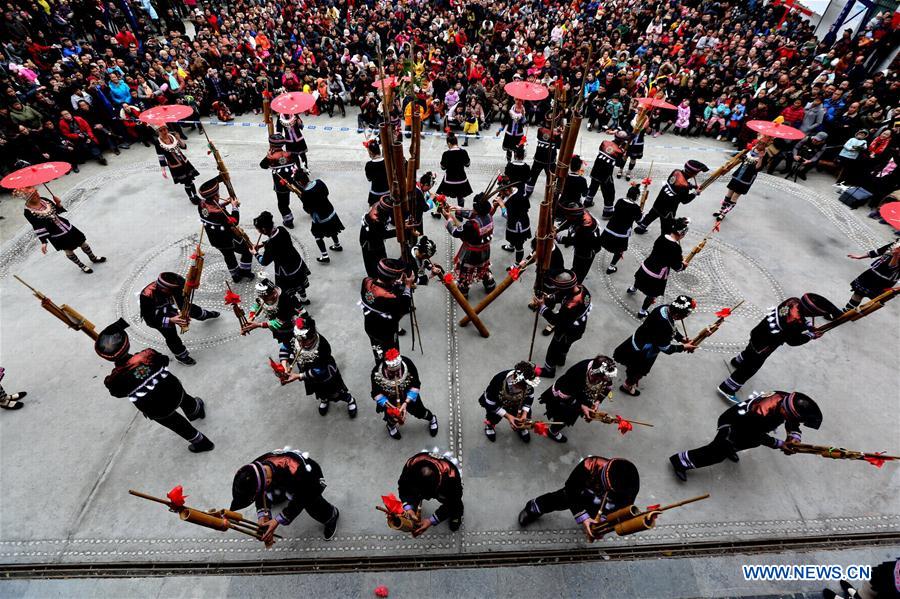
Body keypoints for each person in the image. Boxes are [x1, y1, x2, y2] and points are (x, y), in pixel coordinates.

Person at [95, 319, 213, 452]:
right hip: (172, 389)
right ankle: (195, 411)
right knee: (184, 398)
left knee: (176, 423)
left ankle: (201, 442)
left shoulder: (115, 379)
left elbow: (117, 392)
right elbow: (165, 360)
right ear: (127, 344)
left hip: (155, 408)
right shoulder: (148, 354)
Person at [669, 391, 822, 481]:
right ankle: (680, 461)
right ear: (787, 411)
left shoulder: (786, 398)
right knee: (715, 453)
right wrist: (780, 444)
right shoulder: (760, 413)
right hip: (734, 425)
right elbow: (756, 435)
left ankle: (731, 449)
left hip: (749, 429)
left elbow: (792, 422)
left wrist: (794, 437)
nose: (795, 422)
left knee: (746, 443)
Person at [718, 293, 841, 403]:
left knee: (750, 349)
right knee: (751, 367)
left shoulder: (793, 301)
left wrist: (807, 325)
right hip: (766, 345)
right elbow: (793, 341)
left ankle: (737, 361)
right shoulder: (796, 323)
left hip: (758, 332)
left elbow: (794, 318)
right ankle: (727, 388)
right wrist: (810, 335)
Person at [230, 448, 340, 544]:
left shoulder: (299, 471)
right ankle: (281, 494)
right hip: (281, 479)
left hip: (309, 481)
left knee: (311, 502)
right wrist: (263, 515)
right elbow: (260, 493)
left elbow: (300, 500)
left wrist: (277, 520)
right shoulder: (254, 470)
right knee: (272, 495)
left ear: (267, 482)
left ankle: (331, 515)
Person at [518, 456, 640, 542]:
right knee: (560, 498)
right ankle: (534, 507)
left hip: (603, 504)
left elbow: (622, 507)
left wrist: (603, 523)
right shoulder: (590, 464)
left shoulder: (630, 485)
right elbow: (570, 489)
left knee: (599, 517)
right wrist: (584, 517)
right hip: (581, 492)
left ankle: (592, 523)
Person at [613, 294, 698, 396]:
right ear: (677, 315)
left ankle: (630, 365)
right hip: (645, 351)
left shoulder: (664, 308)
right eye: (684, 316)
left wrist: (681, 338)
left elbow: (672, 327)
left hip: (639, 338)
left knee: (630, 359)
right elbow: (666, 348)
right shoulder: (665, 325)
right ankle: (627, 386)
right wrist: (683, 347)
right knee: (638, 371)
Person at [281, 317, 357, 418]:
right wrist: (284, 365)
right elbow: (285, 347)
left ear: (313, 336)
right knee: (318, 390)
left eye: (305, 341)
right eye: (299, 341)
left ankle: (349, 399)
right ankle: (324, 399)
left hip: (326, 375)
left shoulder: (323, 346)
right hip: (308, 375)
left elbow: (320, 370)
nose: (301, 344)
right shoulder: (296, 338)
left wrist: (298, 376)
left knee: (335, 392)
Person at [139, 272, 221, 365]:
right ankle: (181, 356)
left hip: (171, 306)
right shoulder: (147, 296)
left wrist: (184, 312)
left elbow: (182, 302)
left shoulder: (175, 285)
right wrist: (170, 320)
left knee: (190, 308)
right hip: (160, 316)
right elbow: (150, 320)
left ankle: (205, 315)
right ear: (165, 289)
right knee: (171, 336)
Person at [19, 186, 105, 274]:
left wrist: (58, 203)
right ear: (27, 198)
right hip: (55, 233)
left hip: (66, 226)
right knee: (68, 250)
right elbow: (37, 226)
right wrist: (44, 242)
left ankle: (93, 258)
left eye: (36, 192)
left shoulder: (44, 200)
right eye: (33, 195)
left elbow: (58, 211)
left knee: (83, 243)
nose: (37, 195)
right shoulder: (28, 212)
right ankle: (82, 266)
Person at [538, 355, 617, 443]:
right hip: (567, 395)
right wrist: (581, 406)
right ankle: (552, 431)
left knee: (573, 413)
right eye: (603, 379)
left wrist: (598, 401)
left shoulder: (606, 372)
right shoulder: (578, 371)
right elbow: (566, 394)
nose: (607, 380)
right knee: (564, 416)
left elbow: (608, 387)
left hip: (584, 395)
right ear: (595, 374)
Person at [627, 216, 690, 317]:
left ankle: (633, 288)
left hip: (647, 265)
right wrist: (683, 265)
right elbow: (677, 267)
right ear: (682, 233)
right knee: (652, 294)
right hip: (657, 274)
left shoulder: (662, 237)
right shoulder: (676, 248)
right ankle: (642, 311)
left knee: (639, 279)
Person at [535, 270, 593, 378]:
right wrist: (550, 297)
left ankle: (549, 370)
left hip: (565, 331)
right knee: (566, 345)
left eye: (558, 288)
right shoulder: (582, 289)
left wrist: (542, 307)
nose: (557, 290)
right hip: (578, 329)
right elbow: (563, 295)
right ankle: (561, 359)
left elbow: (555, 320)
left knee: (554, 349)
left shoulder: (570, 306)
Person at [371, 348, 439, 440]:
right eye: (392, 372)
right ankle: (391, 426)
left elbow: (416, 384)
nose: (395, 375)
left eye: (397, 371)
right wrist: (391, 407)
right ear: (386, 368)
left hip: (408, 396)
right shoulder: (376, 373)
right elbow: (375, 392)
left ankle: (432, 418)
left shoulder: (407, 363)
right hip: (389, 400)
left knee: (420, 412)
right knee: (391, 417)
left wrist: (406, 403)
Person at [196, 175, 253, 282]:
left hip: (215, 241)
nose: (219, 196)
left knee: (228, 256)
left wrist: (225, 203)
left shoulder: (202, 205)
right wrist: (234, 206)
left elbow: (213, 207)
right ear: (215, 197)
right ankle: (245, 271)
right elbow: (234, 221)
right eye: (217, 194)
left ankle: (235, 276)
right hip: (229, 240)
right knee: (247, 250)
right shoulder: (219, 214)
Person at [396, 450, 463, 535]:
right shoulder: (411, 464)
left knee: (455, 504)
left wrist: (431, 521)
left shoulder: (451, 479)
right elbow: (403, 488)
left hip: (444, 489)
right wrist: (408, 508)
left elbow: (453, 502)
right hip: (424, 487)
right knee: (412, 496)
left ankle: (456, 515)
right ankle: (412, 508)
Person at [442, 193, 496, 297]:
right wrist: (457, 209)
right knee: (484, 267)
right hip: (485, 250)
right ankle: (490, 284)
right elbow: (473, 214)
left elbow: (455, 232)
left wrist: (449, 219)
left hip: (471, 254)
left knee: (466, 272)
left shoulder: (472, 225)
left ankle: (463, 293)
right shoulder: (488, 216)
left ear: (476, 209)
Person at [252, 211, 312, 304]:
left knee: (287, 291)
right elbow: (277, 240)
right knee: (299, 283)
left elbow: (264, 261)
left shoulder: (271, 245)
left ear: (263, 229)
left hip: (286, 270)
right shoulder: (281, 229)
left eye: (258, 229)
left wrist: (255, 253)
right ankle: (304, 299)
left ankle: (296, 305)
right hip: (296, 261)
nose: (258, 231)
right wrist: (263, 244)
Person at [634, 160, 707, 235]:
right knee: (666, 228)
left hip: (659, 201)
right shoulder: (684, 187)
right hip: (668, 210)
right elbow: (685, 200)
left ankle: (640, 228)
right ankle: (663, 239)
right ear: (692, 174)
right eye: (696, 173)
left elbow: (676, 183)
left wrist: (692, 186)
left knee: (651, 215)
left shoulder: (676, 172)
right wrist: (695, 193)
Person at [360, 258, 413, 360]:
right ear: (392, 279)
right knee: (391, 352)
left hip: (369, 325)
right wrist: (407, 286)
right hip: (386, 331)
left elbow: (384, 290)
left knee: (376, 347)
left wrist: (396, 283)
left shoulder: (366, 282)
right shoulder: (389, 298)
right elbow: (404, 306)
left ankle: (378, 360)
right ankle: (391, 365)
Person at [241, 277, 307, 357]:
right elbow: (258, 304)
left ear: (273, 293)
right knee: (286, 342)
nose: (263, 300)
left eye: (265, 298)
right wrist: (251, 317)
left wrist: (257, 325)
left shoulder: (284, 300)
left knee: (295, 342)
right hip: (277, 327)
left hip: (290, 326)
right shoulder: (265, 297)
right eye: (262, 297)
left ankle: (296, 353)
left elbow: (279, 322)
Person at [478, 361, 539, 443]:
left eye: (525, 387)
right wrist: (508, 416)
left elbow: (530, 396)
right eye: (519, 386)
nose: (522, 389)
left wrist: (524, 414)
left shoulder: (528, 381)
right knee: (493, 416)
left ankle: (521, 427)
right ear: (514, 377)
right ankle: (490, 426)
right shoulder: (499, 379)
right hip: (499, 402)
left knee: (523, 417)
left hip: (518, 403)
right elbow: (490, 402)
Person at [293, 169, 344, 264]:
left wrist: (302, 198)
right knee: (333, 229)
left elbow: (308, 209)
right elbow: (327, 193)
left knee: (317, 235)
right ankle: (337, 245)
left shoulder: (305, 194)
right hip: (330, 210)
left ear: (299, 182)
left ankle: (325, 255)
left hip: (320, 217)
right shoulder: (319, 182)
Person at [713, 142, 766, 221]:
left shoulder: (763, 156)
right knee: (728, 194)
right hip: (737, 175)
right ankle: (721, 210)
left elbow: (757, 168)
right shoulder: (749, 152)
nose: (757, 150)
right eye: (757, 147)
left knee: (734, 197)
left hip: (746, 179)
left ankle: (723, 213)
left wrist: (761, 158)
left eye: (759, 149)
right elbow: (740, 159)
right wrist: (742, 154)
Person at [259, 134, 303, 228]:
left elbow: (262, 165)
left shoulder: (270, 157)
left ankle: (289, 221)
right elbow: (297, 160)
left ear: (271, 144)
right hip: (294, 180)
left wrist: (268, 156)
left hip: (281, 185)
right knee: (302, 195)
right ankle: (312, 209)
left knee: (283, 204)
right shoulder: (290, 154)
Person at [600, 183, 643, 274]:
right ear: (637, 196)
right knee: (619, 251)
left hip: (610, 228)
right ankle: (611, 267)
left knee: (602, 242)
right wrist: (641, 213)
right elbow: (639, 222)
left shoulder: (620, 201)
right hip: (622, 233)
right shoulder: (636, 208)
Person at [500, 147, 533, 265]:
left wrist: (501, 204)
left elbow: (507, 215)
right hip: (519, 212)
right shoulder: (526, 167)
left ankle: (517, 264)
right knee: (513, 237)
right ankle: (511, 245)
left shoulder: (513, 199)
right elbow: (529, 179)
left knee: (519, 243)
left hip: (518, 224)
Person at [845, 241, 900, 310]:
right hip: (873, 273)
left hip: (884, 280)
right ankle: (846, 310)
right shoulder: (897, 242)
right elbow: (879, 251)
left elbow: (891, 268)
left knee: (875, 300)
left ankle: (855, 313)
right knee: (858, 293)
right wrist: (860, 257)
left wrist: (895, 256)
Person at [556, 201, 601, 284]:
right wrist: (557, 229)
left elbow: (575, 241)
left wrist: (557, 237)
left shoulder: (585, 227)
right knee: (576, 265)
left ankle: (576, 283)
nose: (566, 217)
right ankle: (574, 271)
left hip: (587, 250)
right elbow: (568, 221)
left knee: (581, 269)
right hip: (583, 244)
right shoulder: (579, 214)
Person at [153, 124, 199, 204]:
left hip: (184, 162)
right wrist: (163, 170)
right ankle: (191, 197)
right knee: (187, 182)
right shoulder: (158, 142)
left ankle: (195, 195)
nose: (164, 131)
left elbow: (184, 147)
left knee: (190, 180)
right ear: (157, 132)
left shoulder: (173, 136)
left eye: (165, 129)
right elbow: (161, 156)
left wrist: (179, 139)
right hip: (175, 166)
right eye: (161, 130)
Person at [584, 132, 627, 215]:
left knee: (593, 186)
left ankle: (587, 202)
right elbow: (619, 164)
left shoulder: (604, 143)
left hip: (595, 170)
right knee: (609, 193)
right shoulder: (619, 151)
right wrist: (624, 155)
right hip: (605, 175)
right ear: (622, 141)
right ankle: (607, 212)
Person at [359, 195, 398, 278]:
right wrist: (399, 231)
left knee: (378, 259)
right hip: (371, 244)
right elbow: (383, 234)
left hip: (372, 239)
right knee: (374, 262)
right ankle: (376, 278)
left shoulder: (377, 206)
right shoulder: (376, 220)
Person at [525, 119, 560, 198]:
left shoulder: (541, 130)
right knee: (550, 178)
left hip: (541, 159)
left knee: (534, 176)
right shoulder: (555, 134)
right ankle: (550, 193)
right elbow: (559, 146)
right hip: (548, 161)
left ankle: (529, 191)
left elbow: (539, 137)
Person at [437, 132, 473, 207]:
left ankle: (440, 209)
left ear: (449, 143)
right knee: (460, 197)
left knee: (441, 196)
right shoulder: (463, 152)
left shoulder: (446, 154)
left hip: (449, 180)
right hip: (461, 180)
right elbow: (467, 164)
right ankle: (460, 211)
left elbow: (443, 167)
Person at [363, 139, 390, 206]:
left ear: (371, 153)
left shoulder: (369, 165)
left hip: (375, 193)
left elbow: (369, 179)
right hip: (388, 191)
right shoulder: (387, 161)